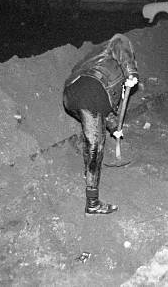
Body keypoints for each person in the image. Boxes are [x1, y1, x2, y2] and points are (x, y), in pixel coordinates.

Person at [63, 34, 139, 214]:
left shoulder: (94, 60)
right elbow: (119, 39)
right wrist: (131, 72)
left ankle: (88, 172)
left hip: (72, 95)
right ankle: (92, 203)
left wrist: (115, 128)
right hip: (91, 89)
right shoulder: (119, 48)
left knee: (92, 136)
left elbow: (104, 112)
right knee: (96, 147)